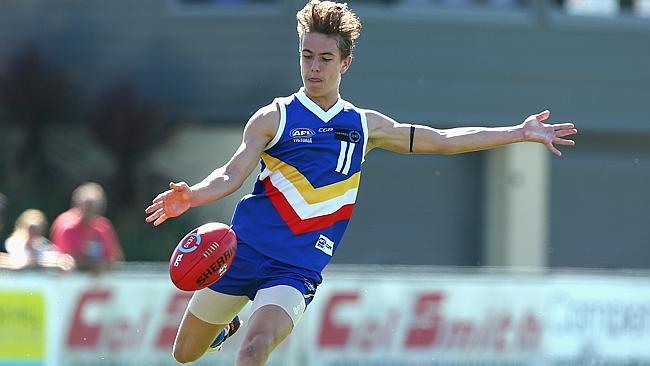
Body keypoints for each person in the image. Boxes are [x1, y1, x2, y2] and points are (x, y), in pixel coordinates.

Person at [144, 1, 578, 365]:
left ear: (345, 62)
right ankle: (231, 319)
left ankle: (249, 324)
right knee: (185, 354)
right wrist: (194, 195)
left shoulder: (364, 126)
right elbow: (231, 173)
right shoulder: (273, 117)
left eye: (325, 58)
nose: (313, 67)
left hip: (295, 269)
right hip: (243, 251)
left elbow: (443, 140)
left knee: (254, 351)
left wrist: (518, 133)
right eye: (306, 55)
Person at [50, 182, 123, 275]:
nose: (89, 211)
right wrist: (95, 265)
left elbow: (115, 257)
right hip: (69, 280)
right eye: (86, 206)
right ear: (77, 204)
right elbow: (68, 258)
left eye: (93, 207)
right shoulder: (66, 225)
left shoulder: (103, 227)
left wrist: (103, 264)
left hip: (99, 283)